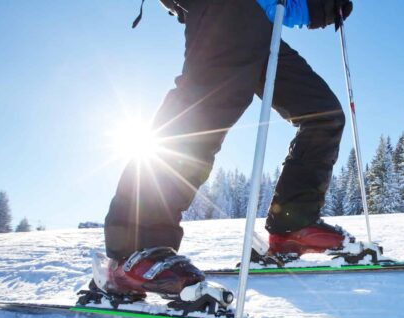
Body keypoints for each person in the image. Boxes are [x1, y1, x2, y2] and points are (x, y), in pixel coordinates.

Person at [91, 0, 362, 302]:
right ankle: (133, 253)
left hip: (260, 22)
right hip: (224, 10)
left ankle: (291, 226)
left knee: (322, 115)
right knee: (201, 113)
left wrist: (319, 7)